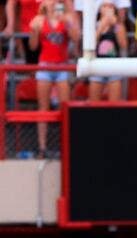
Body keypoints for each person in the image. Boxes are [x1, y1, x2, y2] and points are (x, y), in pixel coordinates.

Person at [28, 0, 80, 159]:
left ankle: (65, 146)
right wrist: (34, 31)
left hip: (62, 66)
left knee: (64, 107)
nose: (51, 2)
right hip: (45, 66)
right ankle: (42, 147)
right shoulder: (38, 20)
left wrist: (67, 22)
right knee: (43, 107)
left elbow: (76, 38)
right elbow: (33, 47)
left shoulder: (67, 17)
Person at [87, 1, 128, 103]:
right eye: (105, 6)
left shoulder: (118, 26)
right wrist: (101, 26)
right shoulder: (93, 26)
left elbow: (123, 44)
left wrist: (115, 24)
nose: (108, 9)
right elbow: (91, 44)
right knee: (94, 103)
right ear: (100, 9)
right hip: (96, 66)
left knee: (114, 104)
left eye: (111, 6)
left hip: (114, 67)